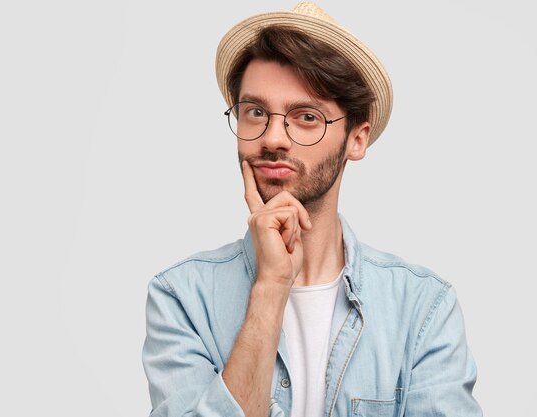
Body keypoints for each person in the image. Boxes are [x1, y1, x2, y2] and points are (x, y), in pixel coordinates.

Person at [142, 3, 482, 417]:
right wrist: (270, 288)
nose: (273, 138)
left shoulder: (423, 308)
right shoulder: (182, 297)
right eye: (255, 112)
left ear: (356, 140)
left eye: (306, 117)